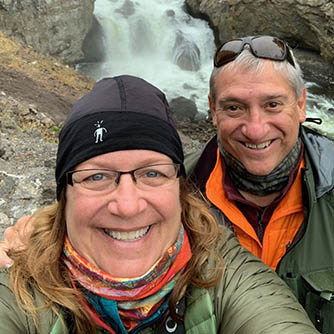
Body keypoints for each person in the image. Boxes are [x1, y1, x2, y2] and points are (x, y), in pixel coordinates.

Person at [0, 75, 318, 333]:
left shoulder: (225, 273)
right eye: (97, 177)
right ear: (64, 195)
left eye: (152, 173)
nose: (127, 206)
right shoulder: (19, 294)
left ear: (179, 188)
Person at [185, 35, 334, 333]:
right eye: (234, 108)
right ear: (213, 111)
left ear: (301, 104)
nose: (255, 129)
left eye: (272, 105)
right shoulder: (173, 193)